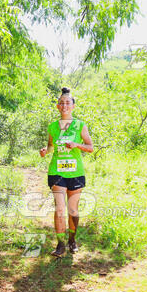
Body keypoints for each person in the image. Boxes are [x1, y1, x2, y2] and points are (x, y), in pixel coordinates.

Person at [40, 87, 93, 257]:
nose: (64, 105)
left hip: (75, 172)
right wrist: (44, 151)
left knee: (73, 210)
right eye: (61, 103)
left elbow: (90, 147)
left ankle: (72, 240)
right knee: (60, 209)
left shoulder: (80, 125)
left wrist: (77, 145)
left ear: (73, 106)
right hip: (57, 171)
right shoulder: (53, 127)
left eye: (67, 103)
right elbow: (50, 147)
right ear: (57, 106)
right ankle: (61, 244)